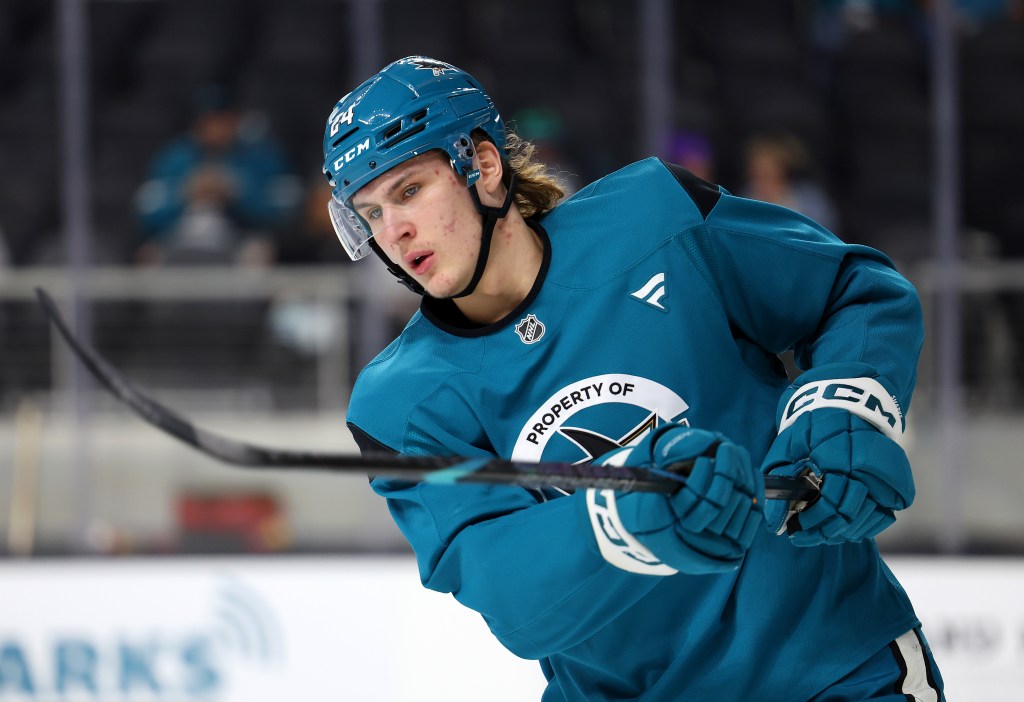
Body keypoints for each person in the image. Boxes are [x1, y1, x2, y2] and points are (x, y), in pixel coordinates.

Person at [322, 57, 944, 701]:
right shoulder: (399, 406)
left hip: (834, 666)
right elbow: (510, 597)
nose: (393, 232)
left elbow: (854, 292)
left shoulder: (655, 219)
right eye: (369, 214)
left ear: (481, 163)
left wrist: (842, 409)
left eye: (409, 192)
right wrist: (625, 514)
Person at [134, 83, 301, 267]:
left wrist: (237, 193)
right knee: (150, 254)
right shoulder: (175, 157)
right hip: (180, 237)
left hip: (240, 237)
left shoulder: (261, 154)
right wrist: (185, 194)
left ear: (236, 120)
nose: (215, 127)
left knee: (259, 251)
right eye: (209, 120)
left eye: (222, 120)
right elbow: (146, 211)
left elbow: (287, 208)